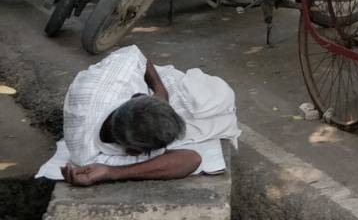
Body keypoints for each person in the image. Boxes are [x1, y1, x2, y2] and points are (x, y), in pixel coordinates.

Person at [37, 45, 239, 186]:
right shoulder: (88, 154)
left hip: (147, 96)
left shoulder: (115, 79)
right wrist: (111, 173)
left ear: (137, 96)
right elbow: (191, 159)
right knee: (215, 116)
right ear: (133, 152)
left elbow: (135, 53)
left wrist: (161, 92)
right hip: (140, 108)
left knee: (219, 97)